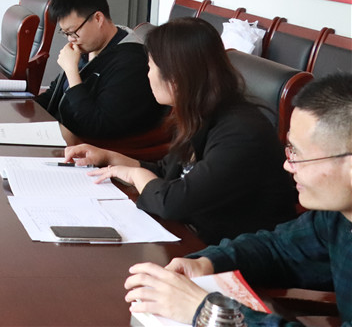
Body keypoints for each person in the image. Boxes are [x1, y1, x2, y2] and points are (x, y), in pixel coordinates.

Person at [122, 72, 351, 326]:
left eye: (299, 154)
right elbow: (277, 249)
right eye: (289, 150)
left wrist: (205, 312)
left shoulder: (240, 129)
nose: (288, 165)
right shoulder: (336, 217)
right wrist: (209, 262)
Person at [66, 18, 298, 244]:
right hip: (197, 237)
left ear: (175, 77)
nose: (147, 75)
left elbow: (171, 201)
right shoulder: (199, 111)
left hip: (235, 253)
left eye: (150, 67)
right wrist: (110, 158)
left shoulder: (241, 132)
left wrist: (135, 175)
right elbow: (168, 172)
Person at [36, 0, 165, 139]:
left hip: (87, 145)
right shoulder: (88, 47)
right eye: (65, 33)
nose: (70, 39)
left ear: (98, 18)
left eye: (73, 32)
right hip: (58, 131)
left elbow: (95, 127)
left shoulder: (130, 62)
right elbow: (52, 96)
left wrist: (71, 72)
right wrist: (26, 112)